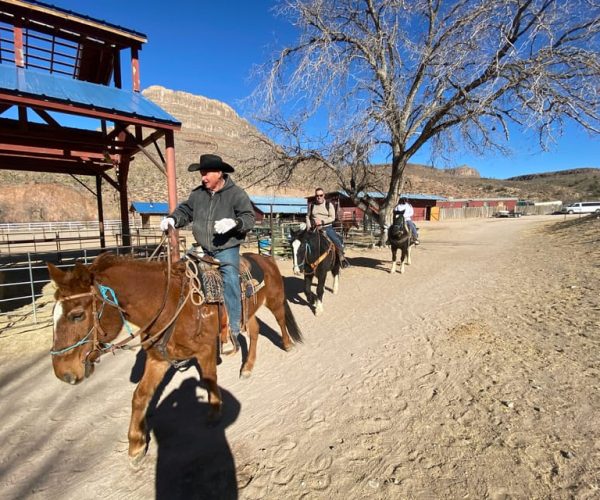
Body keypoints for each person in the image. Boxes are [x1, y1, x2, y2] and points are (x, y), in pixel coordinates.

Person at [160, 154, 255, 355]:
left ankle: (233, 327)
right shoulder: (198, 195)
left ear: (219, 173)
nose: (202, 177)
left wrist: (235, 224)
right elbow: (185, 211)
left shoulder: (236, 194)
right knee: (180, 274)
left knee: (229, 277)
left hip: (226, 248)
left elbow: (248, 216)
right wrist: (173, 219)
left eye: (206, 173)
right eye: (201, 174)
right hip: (202, 248)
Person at [307, 188, 349, 268]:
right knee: (302, 241)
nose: (318, 197)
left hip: (327, 228)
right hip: (314, 228)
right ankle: (303, 261)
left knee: (337, 241)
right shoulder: (312, 205)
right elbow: (307, 217)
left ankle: (341, 258)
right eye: (317, 195)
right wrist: (308, 226)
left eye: (320, 195)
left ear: (324, 195)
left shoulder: (329, 205)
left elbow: (332, 218)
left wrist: (322, 222)